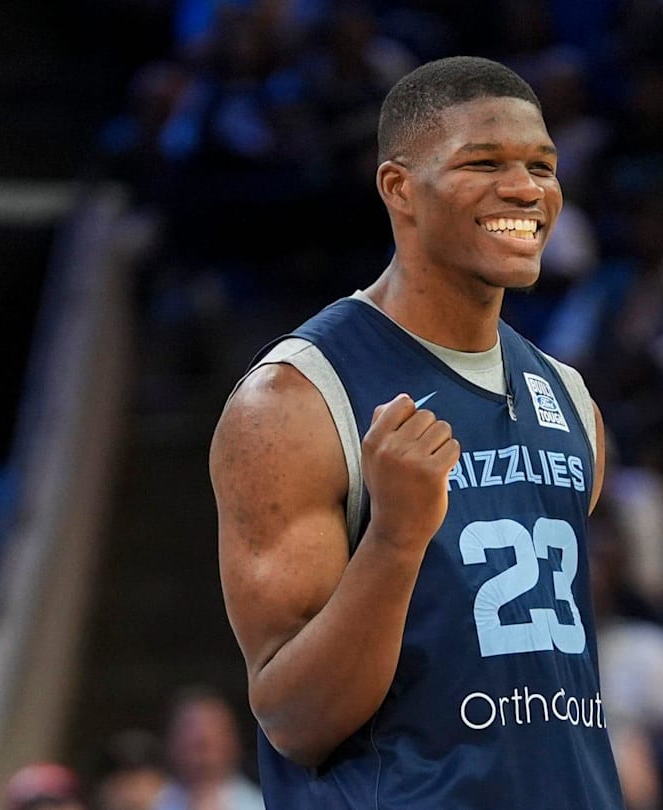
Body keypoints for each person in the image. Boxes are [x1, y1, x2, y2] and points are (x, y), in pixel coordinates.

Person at [210, 55, 622, 808]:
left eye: (541, 165)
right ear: (399, 188)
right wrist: (396, 537)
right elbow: (296, 719)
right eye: (484, 162)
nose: (526, 190)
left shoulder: (569, 399)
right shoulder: (293, 400)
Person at [152, 688, 262, 810]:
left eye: (207, 743)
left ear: (234, 742)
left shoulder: (262, 805)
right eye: (188, 729)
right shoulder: (150, 802)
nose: (200, 755)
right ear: (171, 743)